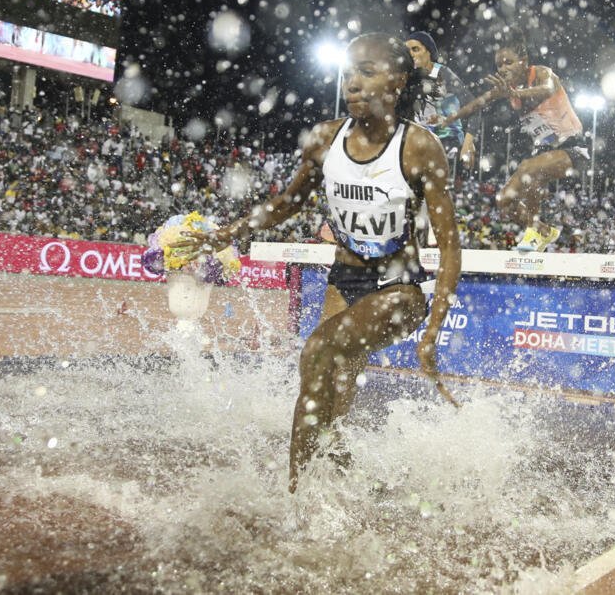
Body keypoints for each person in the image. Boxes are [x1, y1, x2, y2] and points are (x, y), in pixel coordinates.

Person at [173, 33, 462, 492]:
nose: (353, 83)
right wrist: (230, 232)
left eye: (367, 72)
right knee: (331, 381)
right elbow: (288, 203)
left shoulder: (419, 148)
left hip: (398, 287)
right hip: (344, 275)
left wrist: (432, 329)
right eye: (348, 74)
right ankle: (339, 473)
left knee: (319, 349)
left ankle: (295, 496)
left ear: (398, 80)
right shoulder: (326, 139)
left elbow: (450, 247)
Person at [440, 26, 587, 252]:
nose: (503, 68)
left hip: (573, 148)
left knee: (528, 169)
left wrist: (514, 94)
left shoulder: (541, 73)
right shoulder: (507, 89)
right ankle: (544, 230)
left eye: (509, 62)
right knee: (503, 202)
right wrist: (447, 119)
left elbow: (547, 89)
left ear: (524, 61)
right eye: (499, 65)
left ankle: (535, 233)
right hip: (544, 154)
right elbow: (476, 104)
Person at [405, 31, 476, 245]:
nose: (411, 54)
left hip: (448, 138)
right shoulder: (408, 77)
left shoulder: (442, 73)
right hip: (422, 138)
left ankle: (436, 228)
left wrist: (468, 144)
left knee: (427, 181)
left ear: (430, 52)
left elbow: (474, 107)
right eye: (407, 50)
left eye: (415, 49)